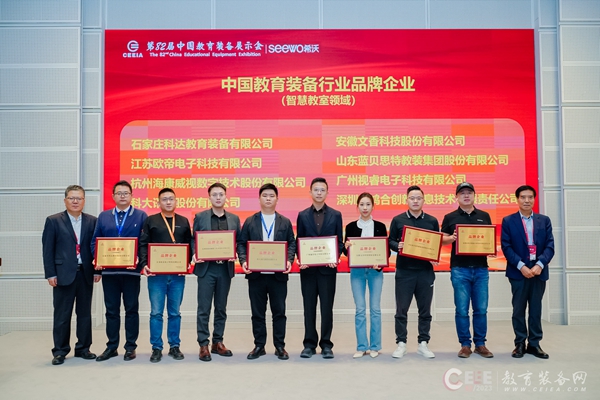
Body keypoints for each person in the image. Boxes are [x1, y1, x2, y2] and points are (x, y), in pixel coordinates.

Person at [237, 184, 296, 360]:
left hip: (278, 276)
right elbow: (241, 244)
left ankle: (280, 346)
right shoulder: (250, 221)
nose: (268, 198)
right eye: (265, 195)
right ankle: (259, 345)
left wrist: (289, 260)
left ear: (277, 199)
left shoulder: (285, 222)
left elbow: (291, 244)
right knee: (257, 313)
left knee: (279, 312)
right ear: (259, 198)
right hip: (256, 275)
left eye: (271, 195)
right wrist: (244, 261)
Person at [42, 185, 99, 365]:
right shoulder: (53, 221)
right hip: (62, 274)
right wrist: (50, 273)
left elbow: (96, 248)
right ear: (65, 200)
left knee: (84, 314)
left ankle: (83, 348)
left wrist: (97, 270)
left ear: (84, 201)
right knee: (62, 315)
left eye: (79, 198)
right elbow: (47, 250)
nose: (75, 201)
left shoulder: (92, 221)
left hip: (85, 273)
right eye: (72, 198)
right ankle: (60, 351)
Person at [92, 180, 148, 362]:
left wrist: (139, 258)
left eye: (126, 193)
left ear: (132, 196)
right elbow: (95, 241)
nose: (122, 196)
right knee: (111, 311)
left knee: (131, 309)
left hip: (131, 272)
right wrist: (97, 258)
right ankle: (112, 347)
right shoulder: (104, 216)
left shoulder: (141, 216)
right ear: (113, 196)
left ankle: (130, 347)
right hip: (110, 273)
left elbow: (144, 242)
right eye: (119, 193)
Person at [441, 182, 494, 359]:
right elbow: (442, 239)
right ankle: (465, 345)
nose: (466, 195)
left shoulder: (484, 216)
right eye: (462, 193)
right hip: (460, 269)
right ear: (456, 197)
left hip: (481, 269)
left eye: (469, 192)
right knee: (462, 310)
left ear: (474, 195)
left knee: (481, 309)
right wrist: (452, 237)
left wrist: (490, 247)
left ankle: (480, 344)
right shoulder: (450, 217)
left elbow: (488, 239)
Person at [139, 188, 192, 363]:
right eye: (164, 199)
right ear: (158, 202)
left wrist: (186, 264)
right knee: (156, 312)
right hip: (157, 275)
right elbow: (143, 244)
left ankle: (174, 346)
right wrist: (144, 264)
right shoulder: (151, 220)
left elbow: (189, 245)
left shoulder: (183, 221)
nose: (168, 202)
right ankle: (156, 347)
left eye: (171, 199)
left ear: (176, 201)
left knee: (175, 312)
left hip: (177, 275)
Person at [501, 185, 554, 359]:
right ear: (517, 199)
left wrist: (539, 264)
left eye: (530, 197)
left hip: (538, 271)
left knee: (536, 309)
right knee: (518, 309)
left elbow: (550, 246)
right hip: (518, 271)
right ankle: (519, 343)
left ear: (534, 199)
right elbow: (506, 247)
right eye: (523, 197)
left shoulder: (544, 220)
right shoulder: (508, 221)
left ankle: (534, 344)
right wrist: (521, 266)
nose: (526, 200)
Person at [192, 182, 241, 361]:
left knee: (221, 308)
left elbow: (239, 241)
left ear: (226, 196)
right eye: (215, 194)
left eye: (221, 194)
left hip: (224, 269)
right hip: (206, 269)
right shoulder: (200, 217)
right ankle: (203, 344)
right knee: (203, 308)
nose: (218, 197)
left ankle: (217, 342)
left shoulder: (234, 219)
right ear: (209, 197)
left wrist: (236, 252)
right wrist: (195, 253)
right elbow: (193, 239)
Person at [388, 185, 439, 359]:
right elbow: (390, 241)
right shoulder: (398, 220)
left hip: (425, 272)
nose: (415, 201)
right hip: (404, 271)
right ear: (407, 200)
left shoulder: (432, 221)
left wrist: (434, 255)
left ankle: (423, 343)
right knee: (401, 310)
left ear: (423, 200)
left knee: (425, 310)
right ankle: (401, 343)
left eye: (418, 198)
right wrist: (398, 245)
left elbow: (435, 243)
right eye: (412, 198)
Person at [296, 177, 344, 359]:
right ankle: (309, 344)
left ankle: (326, 344)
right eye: (316, 189)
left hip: (327, 269)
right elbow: (299, 241)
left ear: (327, 193)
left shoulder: (336, 215)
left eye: (322, 190)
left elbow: (339, 241)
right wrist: (301, 258)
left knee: (326, 308)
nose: (319, 193)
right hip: (308, 269)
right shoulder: (302, 215)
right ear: (310, 192)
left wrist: (335, 256)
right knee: (309, 307)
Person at [343, 192, 387, 359]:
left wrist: (380, 262)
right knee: (360, 309)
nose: (365, 207)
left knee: (375, 309)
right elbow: (346, 253)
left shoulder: (380, 226)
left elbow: (384, 251)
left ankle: (375, 346)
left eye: (368, 204)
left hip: (375, 272)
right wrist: (346, 247)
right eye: (362, 204)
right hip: (357, 272)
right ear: (357, 207)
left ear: (373, 206)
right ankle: (362, 346)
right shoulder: (350, 227)